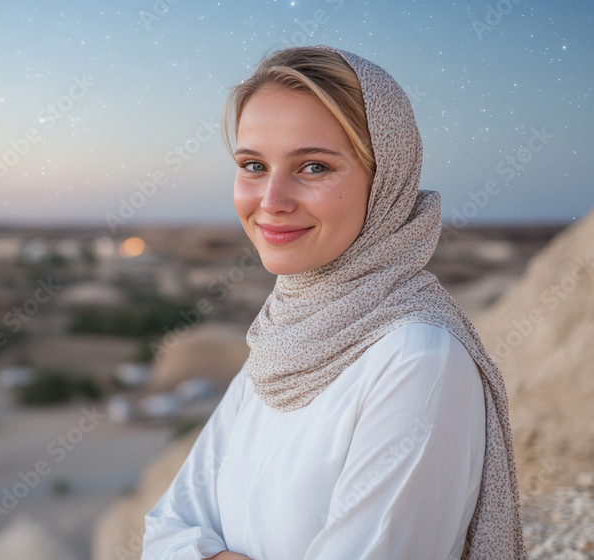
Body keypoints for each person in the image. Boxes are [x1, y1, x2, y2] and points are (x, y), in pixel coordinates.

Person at [141, 45, 525, 559]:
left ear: (385, 179)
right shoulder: (283, 340)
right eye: (253, 164)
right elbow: (164, 529)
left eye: (314, 167)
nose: (271, 200)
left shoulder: (419, 360)